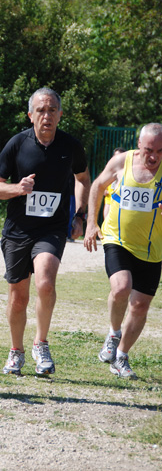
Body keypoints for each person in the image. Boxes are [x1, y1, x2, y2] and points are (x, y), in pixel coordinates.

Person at [0, 87, 90, 377]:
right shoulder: (18, 144)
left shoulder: (70, 146)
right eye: (41, 110)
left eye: (52, 110)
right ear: (31, 115)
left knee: (45, 281)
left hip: (53, 228)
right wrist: (17, 188)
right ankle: (16, 351)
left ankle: (41, 343)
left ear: (60, 114)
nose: (47, 115)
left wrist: (80, 214)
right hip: (18, 230)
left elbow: (82, 178)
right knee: (18, 297)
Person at [84, 123, 162, 379]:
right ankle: (114, 332)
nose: (153, 157)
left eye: (160, 152)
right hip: (117, 239)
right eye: (149, 149)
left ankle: (121, 356)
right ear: (139, 145)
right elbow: (97, 185)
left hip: (152, 248)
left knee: (140, 306)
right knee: (121, 287)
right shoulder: (121, 161)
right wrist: (91, 224)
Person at [103, 147, 125, 220]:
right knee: (106, 222)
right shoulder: (109, 169)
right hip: (109, 201)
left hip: (120, 204)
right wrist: (104, 191)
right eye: (115, 156)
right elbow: (102, 185)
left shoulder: (128, 171)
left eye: (120, 156)